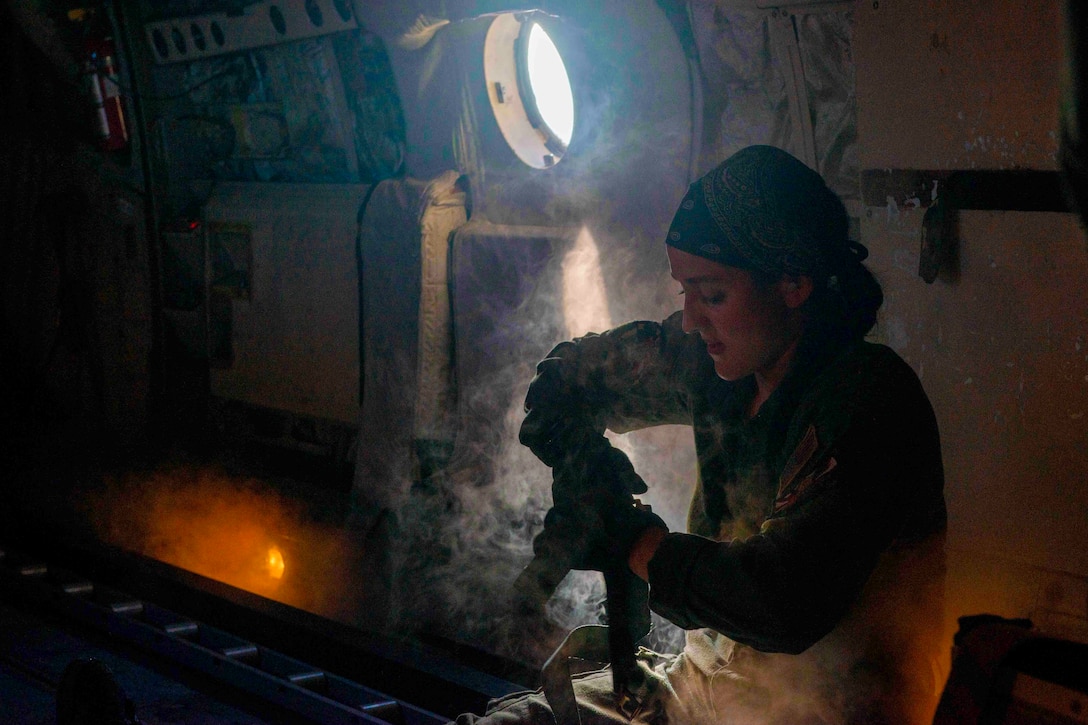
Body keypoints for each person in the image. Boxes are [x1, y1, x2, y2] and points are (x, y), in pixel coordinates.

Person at [455, 145, 947, 725]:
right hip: (697, 693)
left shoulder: (868, 398)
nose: (690, 319)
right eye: (683, 291)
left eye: (713, 295)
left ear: (793, 281)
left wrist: (634, 542)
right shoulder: (719, 368)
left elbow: (780, 602)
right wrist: (580, 454)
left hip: (819, 710)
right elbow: (572, 381)